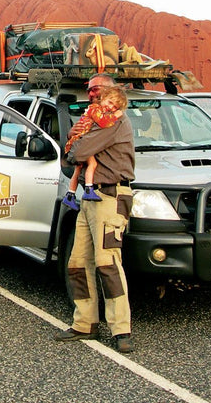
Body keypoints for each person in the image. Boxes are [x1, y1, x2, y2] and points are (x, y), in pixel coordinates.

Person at [55, 73, 136, 354]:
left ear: (112, 91)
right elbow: (73, 145)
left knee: (107, 263)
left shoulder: (113, 119)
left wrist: (76, 145)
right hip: (89, 198)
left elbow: (79, 149)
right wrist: (75, 145)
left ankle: (121, 329)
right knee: (77, 262)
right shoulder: (96, 117)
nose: (91, 93)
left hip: (111, 196)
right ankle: (84, 323)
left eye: (97, 89)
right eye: (89, 90)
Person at [61, 85, 127, 210]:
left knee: (77, 170)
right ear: (103, 98)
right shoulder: (95, 109)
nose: (111, 108)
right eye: (110, 102)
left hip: (77, 140)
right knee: (92, 164)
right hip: (80, 141)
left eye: (114, 107)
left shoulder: (96, 110)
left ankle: (70, 195)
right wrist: (116, 115)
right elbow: (103, 122)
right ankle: (89, 189)